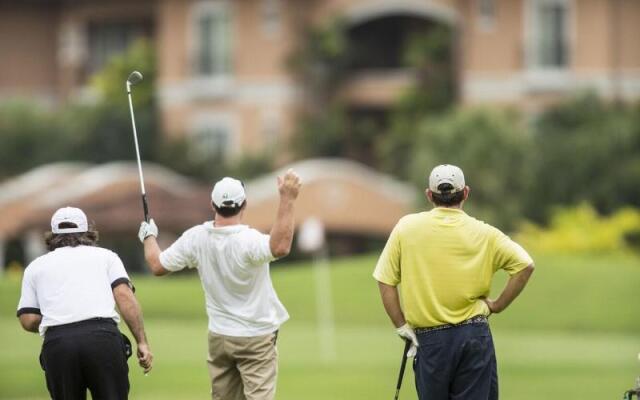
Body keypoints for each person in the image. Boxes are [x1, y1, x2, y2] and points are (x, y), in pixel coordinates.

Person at [374, 164, 534, 400]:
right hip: (473, 335)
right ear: (465, 193)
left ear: (429, 195)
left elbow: (385, 280)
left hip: (430, 341)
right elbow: (525, 265)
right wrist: (497, 305)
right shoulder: (485, 233)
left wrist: (401, 327)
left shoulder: (406, 228)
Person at [138, 169, 301, 400]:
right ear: (244, 206)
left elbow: (157, 264)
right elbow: (280, 246)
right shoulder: (249, 240)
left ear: (213, 206)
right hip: (256, 337)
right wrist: (288, 199)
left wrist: (148, 236)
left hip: (220, 337)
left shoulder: (196, 237)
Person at [17, 206, 153, 400]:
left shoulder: (35, 267)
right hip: (102, 339)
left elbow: (28, 319)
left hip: (59, 344)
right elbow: (124, 297)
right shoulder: (107, 257)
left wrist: (59, 315)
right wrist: (142, 342)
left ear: (53, 234)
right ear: (87, 230)